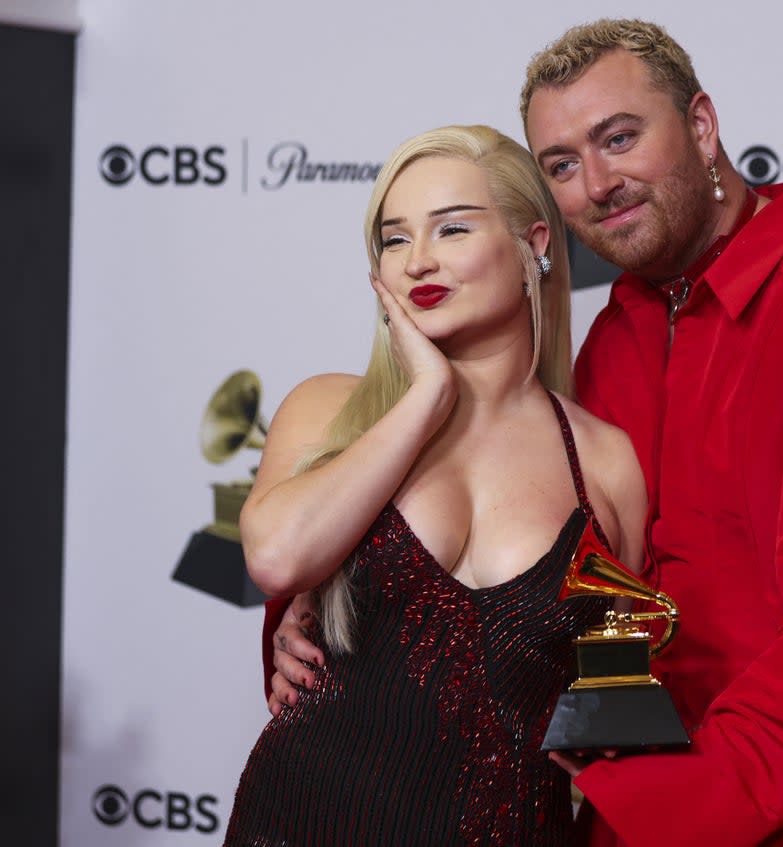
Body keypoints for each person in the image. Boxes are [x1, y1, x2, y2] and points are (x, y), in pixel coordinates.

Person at [268, 18, 783, 847]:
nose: (598, 183)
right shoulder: (619, 332)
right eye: (562, 165)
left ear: (702, 127)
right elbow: (543, 580)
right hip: (634, 813)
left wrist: (654, 788)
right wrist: (332, 605)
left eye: (620, 138)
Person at [225, 124, 646, 847]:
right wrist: (426, 395)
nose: (419, 259)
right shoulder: (329, 409)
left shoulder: (607, 463)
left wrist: (603, 704)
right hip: (302, 819)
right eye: (393, 239)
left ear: (534, 243)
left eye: (452, 228)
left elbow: (616, 705)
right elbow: (277, 560)